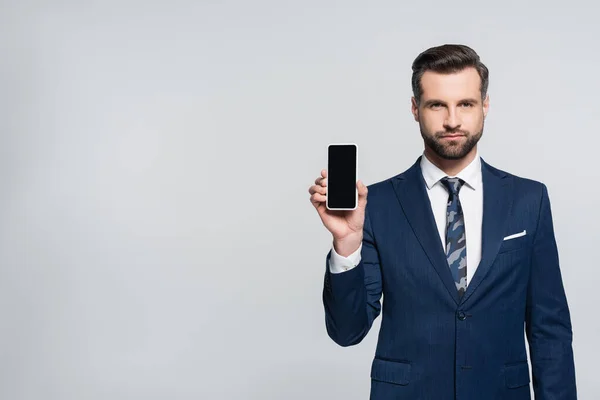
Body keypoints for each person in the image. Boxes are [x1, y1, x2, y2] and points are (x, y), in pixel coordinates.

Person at [308, 44, 576, 400]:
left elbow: (550, 330)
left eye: (465, 104)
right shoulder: (378, 205)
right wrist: (346, 244)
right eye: (437, 105)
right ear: (415, 109)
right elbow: (347, 332)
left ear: (485, 106)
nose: (452, 120)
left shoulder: (529, 200)